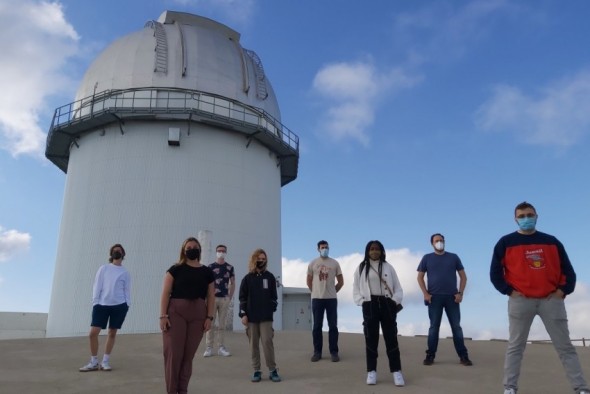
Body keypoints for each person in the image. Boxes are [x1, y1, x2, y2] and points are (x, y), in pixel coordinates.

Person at [490, 202, 589, 394]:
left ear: (536, 216)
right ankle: (510, 388)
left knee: (565, 347)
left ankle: (581, 389)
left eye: (529, 215)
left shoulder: (551, 241)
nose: (526, 218)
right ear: (515, 219)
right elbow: (495, 272)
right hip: (520, 301)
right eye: (522, 216)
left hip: (551, 301)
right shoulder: (505, 242)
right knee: (515, 347)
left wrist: (562, 291)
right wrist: (509, 291)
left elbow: (568, 270)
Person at [159, 237, 215, 394]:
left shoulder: (207, 272)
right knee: (174, 355)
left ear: (199, 250)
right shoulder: (175, 269)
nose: (192, 249)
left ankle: (182, 389)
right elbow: (165, 293)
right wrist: (163, 315)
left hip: (198, 315)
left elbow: (211, 296)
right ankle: (171, 390)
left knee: (188, 356)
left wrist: (209, 317)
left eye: (195, 246)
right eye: (189, 247)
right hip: (176, 313)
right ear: (184, 251)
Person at [352, 240, 405, 387]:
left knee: (391, 338)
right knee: (371, 339)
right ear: (367, 251)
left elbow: (398, 288)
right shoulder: (362, 267)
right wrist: (362, 301)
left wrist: (394, 301)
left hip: (387, 304)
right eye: (371, 249)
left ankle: (396, 371)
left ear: (382, 251)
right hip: (370, 304)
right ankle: (371, 371)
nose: (374, 251)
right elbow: (356, 287)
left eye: (377, 249)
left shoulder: (389, 267)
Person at [417, 233, 473, 366]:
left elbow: (463, 277)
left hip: (452, 298)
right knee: (434, 328)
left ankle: (463, 356)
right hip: (434, 298)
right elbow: (420, 277)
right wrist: (425, 294)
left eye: (441, 240)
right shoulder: (427, 258)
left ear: (444, 242)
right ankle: (430, 355)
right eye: (436, 241)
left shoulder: (453, 257)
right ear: (432, 243)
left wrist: (460, 293)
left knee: (456, 327)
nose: (439, 243)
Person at [79, 243, 131, 372]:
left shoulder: (125, 272)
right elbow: (97, 286)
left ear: (123, 254)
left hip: (119, 306)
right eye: (114, 251)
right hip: (101, 305)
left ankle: (105, 361)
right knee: (92, 334)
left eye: (119, 251)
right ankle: (93, 361)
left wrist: (127, 304)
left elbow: (127, 290)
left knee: (112, 333)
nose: (116, 252)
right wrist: (95, 302)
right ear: (111, 254)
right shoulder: (104, 268)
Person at [238, 248, 281, 383]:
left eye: (264, 259)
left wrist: (271, 307)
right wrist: (243, 314)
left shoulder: (270, 277)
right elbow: (242, 298)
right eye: (259, 259)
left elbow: (274, 296)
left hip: (266, 317)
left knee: (267, 342)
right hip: (251, 317)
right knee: (253, 345)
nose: (261, 261)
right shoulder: (247, 279)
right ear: (254, 260)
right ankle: (256, 370)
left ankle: (272, 370)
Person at [307, 240, 344, 362]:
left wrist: (333, 291)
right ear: (318, 249)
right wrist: (314, 291)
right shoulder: (313, 263)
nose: (325, 249)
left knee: (332, 326)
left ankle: (334, 352)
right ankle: (317, 352)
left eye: (327, 247)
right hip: (317, 299)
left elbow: (341, 281)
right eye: (322, 247)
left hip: (331, 300)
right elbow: (309, 280)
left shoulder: (334, 263)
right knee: (317, 326)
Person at [203, 244, 235, 357]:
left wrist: (229, 297)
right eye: (219, 250)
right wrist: (207, 297)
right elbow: (205, 283)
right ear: (216, 252)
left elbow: (233, 283)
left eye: (223, 251)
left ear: (226, 253)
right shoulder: (210, 267)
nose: (221, 252)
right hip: (212, 299)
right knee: (210, 323)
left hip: (224, 299)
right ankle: (209, 348)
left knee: (222, 324)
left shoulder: (230, 267)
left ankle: (221, 347)